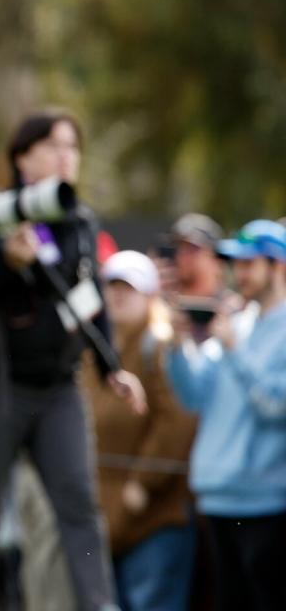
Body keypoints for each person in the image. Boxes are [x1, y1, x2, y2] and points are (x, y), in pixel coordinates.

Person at [0, 109, 145, 611]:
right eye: (54, 146)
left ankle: (100, 605)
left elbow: (90, 297)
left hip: (58, 389)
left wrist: (111, 366)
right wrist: (3, 264)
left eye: (73, 147)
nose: (66, 157)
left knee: (80, 509)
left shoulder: (78, 220)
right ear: (22, 157)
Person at [166, 219, 286, 611]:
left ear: (278, 266)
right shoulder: (236, 322)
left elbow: (276, 407)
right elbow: (195, 395)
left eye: (251, 263)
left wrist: (236, 351)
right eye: (237, 263)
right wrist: (179, 345)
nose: (240, 273)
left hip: (264, 504)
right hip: (217, 498)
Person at [82, 250, 198, 611]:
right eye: (111, 286)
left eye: (128, 288)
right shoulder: (93, 349)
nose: (117, 295)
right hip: (105, 515)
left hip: (154, 518)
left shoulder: (161, 345)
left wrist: (143, 481)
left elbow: (178, 420)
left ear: (149, 295)